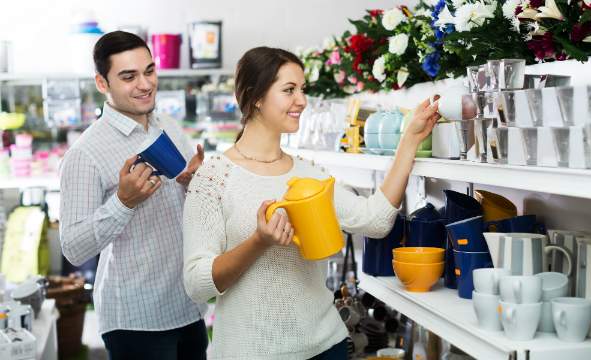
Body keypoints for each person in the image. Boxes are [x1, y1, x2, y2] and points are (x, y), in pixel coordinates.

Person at [182, 46, 439, 360]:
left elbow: (375, 221)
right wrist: (259, 242)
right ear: (256, 97)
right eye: (289, 90)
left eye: (302, 90)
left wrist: (410, 139)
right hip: (249, 351)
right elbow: (197, 284)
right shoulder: (213, 178)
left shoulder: (307, 172)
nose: (302, 101)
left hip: (324, 347)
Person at [59, 31, 207, 360]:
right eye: (129, 76)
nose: (145, 84)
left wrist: (193, 183)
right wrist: (122, 202)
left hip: (188, 305)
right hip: (136, 320)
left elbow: (186, 206)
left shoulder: (167, 124)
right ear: (102, 83)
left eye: (149, 71)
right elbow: (73, 246)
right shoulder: (86, 153)